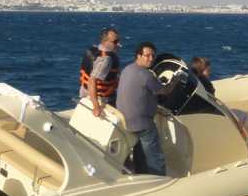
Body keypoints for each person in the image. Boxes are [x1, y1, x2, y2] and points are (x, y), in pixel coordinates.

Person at [115, 42, 184, 176]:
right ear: (138, 56)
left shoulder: (127, 69)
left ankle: (142, 176)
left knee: (139, 154)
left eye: (153, 56)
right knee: (155, 157)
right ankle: (160, 179)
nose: (151, 59)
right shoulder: (146, 75)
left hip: (126, 121)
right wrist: (176, 80)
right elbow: (164, 91)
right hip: (143, 124)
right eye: (147, 56)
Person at [78, 27, 121, 118]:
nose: (119, 44)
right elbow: (92, 81)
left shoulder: (94, 50)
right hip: (102, 100)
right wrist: (96, 106)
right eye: (115, 42)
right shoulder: (106, 60)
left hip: (84, 94)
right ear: (105, 42)